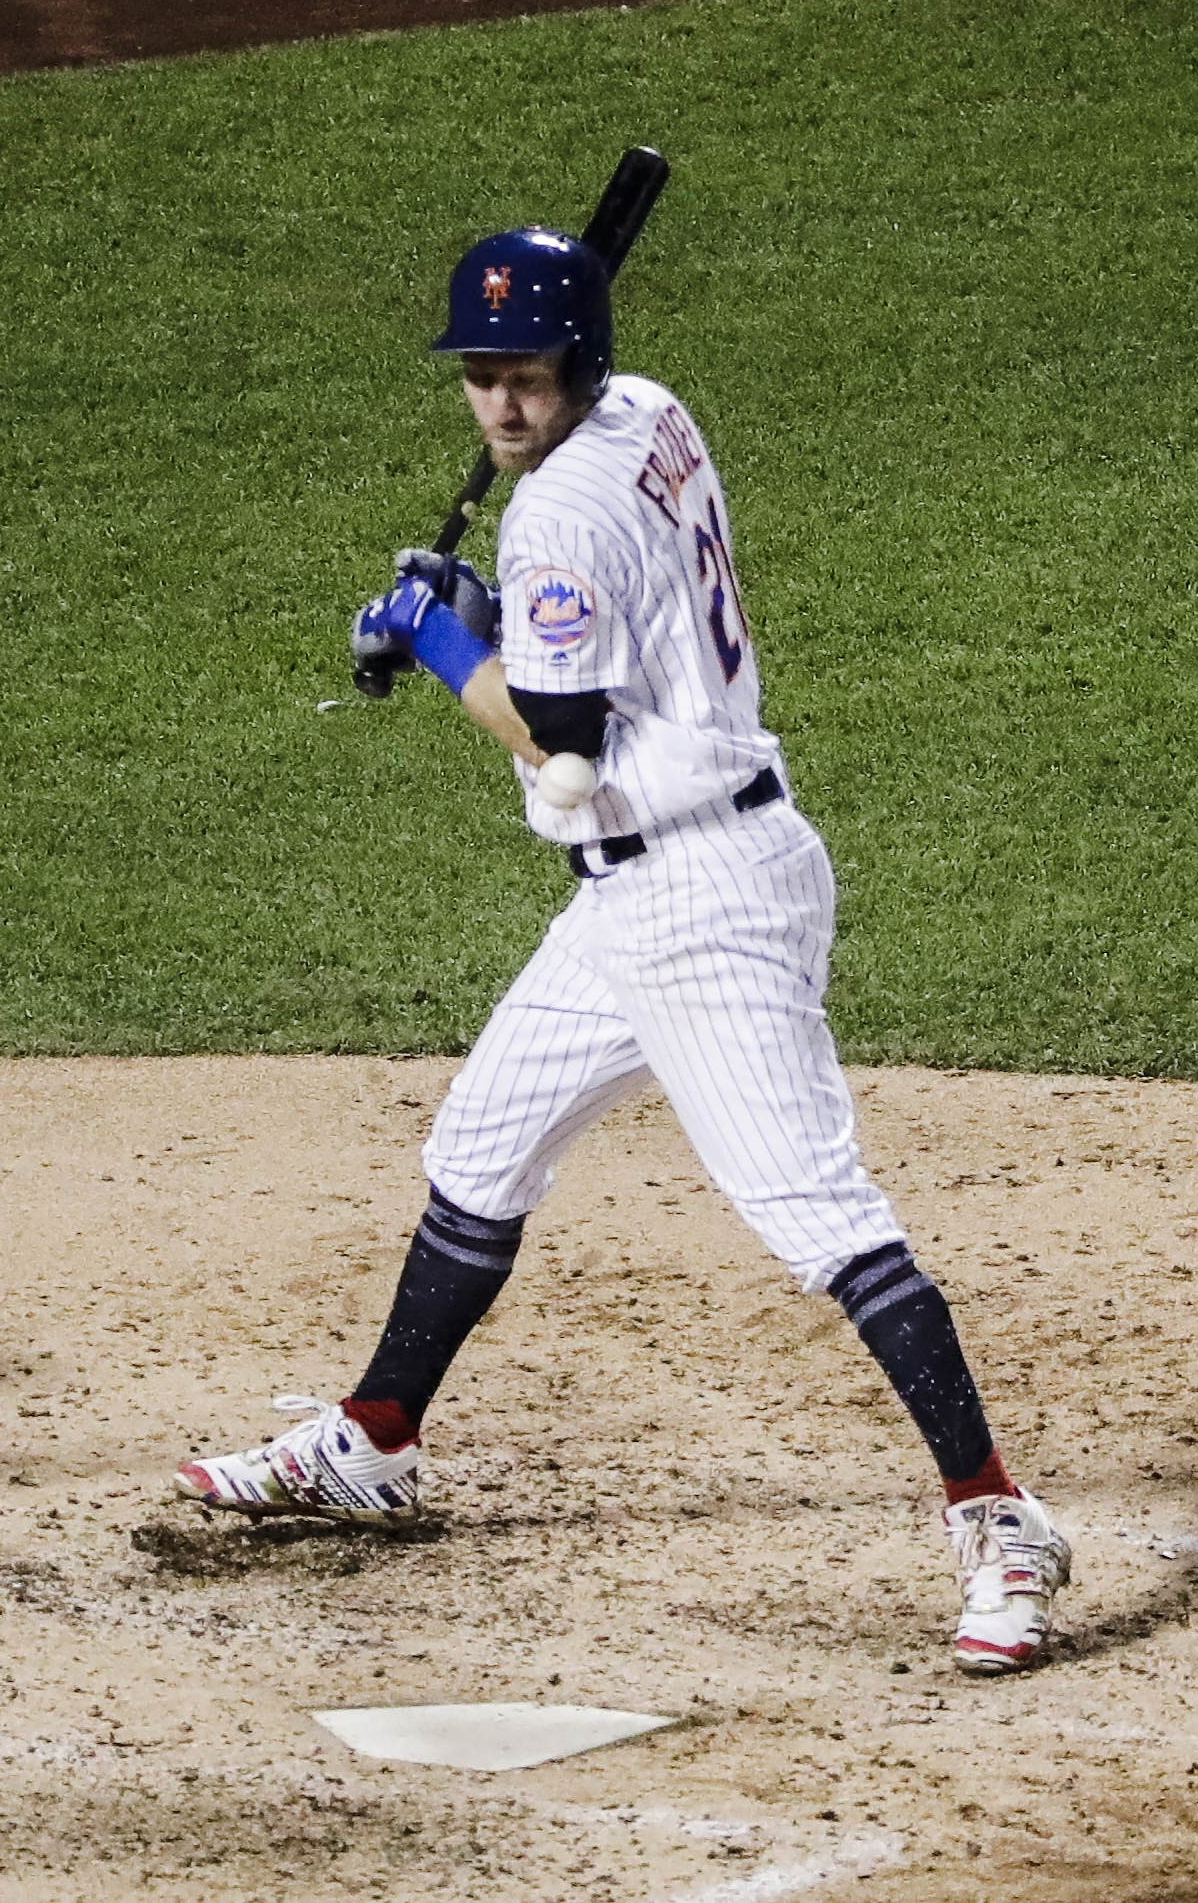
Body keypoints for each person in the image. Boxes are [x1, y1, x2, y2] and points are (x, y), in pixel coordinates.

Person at [170, 227, 1075, 1674]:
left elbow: (567, 757)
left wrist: (443, 637)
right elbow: (589, 621)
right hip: (655, 883)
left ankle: (1000, 1521)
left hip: (697, 898)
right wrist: (490, 621)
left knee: (815, 1214)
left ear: (572, 362)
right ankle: (375, 1441)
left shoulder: (554, 526)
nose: (500, 409)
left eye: (523, 378)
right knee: (479, 1148)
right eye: (478, 379)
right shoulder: (648, 407)